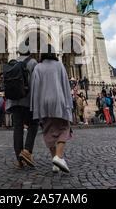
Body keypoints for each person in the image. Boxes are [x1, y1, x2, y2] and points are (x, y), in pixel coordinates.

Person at [30, 45, 73, 173]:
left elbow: (35, 88)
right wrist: (68, 104)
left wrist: (36, 107)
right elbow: (65, 84)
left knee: (48, 130)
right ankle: (59, 157)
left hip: (44, 102)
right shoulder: (59, 65)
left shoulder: (38, 67)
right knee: (65, 128)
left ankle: (54, 162)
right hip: (58, 100)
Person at [5, 51, 39, 170]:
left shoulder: (12, 63)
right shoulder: (33, 62)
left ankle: (19, 161)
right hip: (27, 100)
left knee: (18, 128)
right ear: (30, 52)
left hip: (14, 100)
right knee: (34, 124)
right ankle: (27, 151)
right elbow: (36, 83)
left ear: (19, 51)